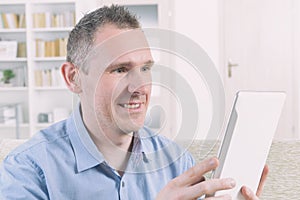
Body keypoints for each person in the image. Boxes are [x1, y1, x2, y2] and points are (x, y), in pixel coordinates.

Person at [0, 5, 268, 200]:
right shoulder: (28, 170)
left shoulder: (178, 164)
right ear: (74, 78)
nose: (139, 87)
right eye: (119, 70)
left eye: (145, 68)